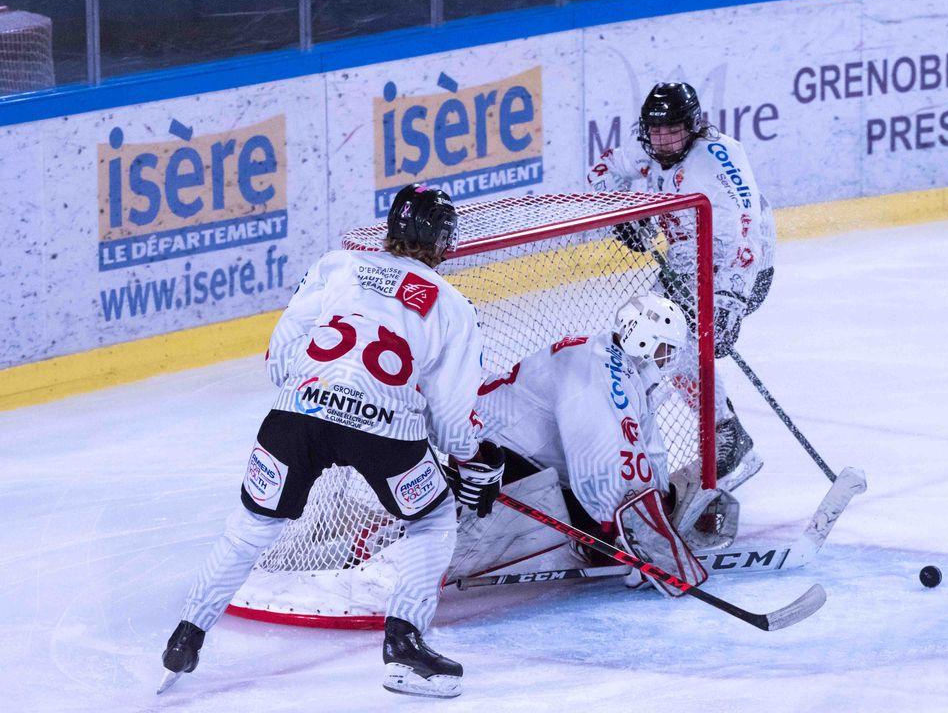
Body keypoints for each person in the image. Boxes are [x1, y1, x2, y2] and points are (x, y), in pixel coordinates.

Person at [159, 185, 503, 699]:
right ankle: (404, 644)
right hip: (384, 430)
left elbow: (279, 357)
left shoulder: (337, 266)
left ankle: (187, 634)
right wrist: (475, 457)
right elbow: (454, 422)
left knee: (251, 527)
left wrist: (323, 391)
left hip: (297, 413)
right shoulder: (452, 305)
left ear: (390, 228)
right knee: (431, 519)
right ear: (444, 241)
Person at [445, 293, 724, 594]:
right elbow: (601, 458)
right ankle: (436, 550)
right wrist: (633, 537)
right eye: (666, 350)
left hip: (511, 458)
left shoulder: (619, 365)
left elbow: (644, 449)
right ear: (644, 340)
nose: (668, 360)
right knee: (606, 532)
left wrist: (661, 508)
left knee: (609, 523)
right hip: (488, 461)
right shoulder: (599, 370)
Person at [586, 82, 776, 491]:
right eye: (656, 132)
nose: (665, 141)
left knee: (670, 342)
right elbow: (601, 171)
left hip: (739, 267)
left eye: (673, 131)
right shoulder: (648, 150)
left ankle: (726, 432)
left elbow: (746, 232)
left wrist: (729, 300)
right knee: (652, 341)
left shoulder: (719, 157)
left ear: (692, 126)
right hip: (684, 265)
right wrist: (625, 214)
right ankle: (727, 430)